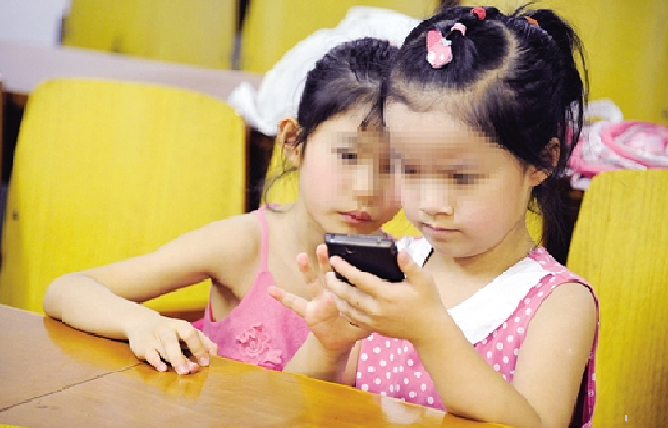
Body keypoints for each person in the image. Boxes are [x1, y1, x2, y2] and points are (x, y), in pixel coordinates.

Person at [270, 6, 598, 427]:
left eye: (461, 177)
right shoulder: (394, 268)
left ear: (542, 161)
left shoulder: (557, 303)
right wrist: (330, 347)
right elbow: (293, 407)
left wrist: (430, 331)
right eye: (408, 168)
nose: (431, 203)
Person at [43, 38, 401, 376]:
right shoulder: (244, 245)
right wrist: (140, 322)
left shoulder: (406, 270)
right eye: (348, 155)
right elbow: (68, 289)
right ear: (293, 142)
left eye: (395, 165)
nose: (367, 189)